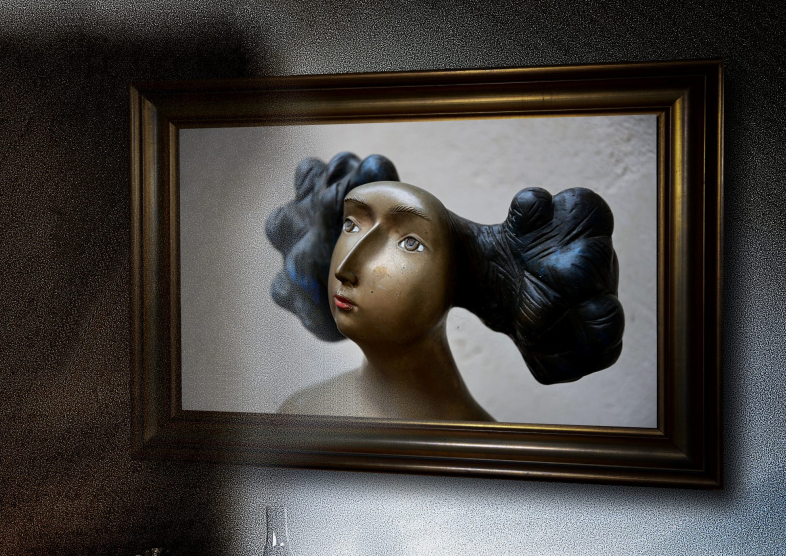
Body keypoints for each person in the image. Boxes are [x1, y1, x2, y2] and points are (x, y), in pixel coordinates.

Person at [262, 152, 625, 422]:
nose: (346, 269)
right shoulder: (299, 414)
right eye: (352, 225)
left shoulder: (483, 464)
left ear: (453, 280)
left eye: (409, 243)